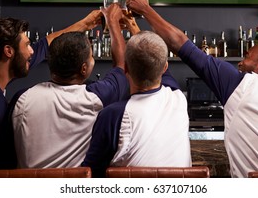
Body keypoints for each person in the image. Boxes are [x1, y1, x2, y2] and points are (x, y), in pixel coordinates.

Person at [125, 0, 258, 178]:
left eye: (248, 57)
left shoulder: (241, 84)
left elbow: (180, 43)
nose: (241, 62)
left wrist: (145, 9)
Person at [0, 9, 103, 178]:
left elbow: (45, 45)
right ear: (8, 51)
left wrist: (85, 24)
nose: (31, 51)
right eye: (27, 45)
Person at [6, 3, 130, 169]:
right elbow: (121, 64)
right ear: (84, 68)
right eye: (91, 57)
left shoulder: (22, 98)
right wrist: (113, 22)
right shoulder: (96, 97)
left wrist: (85, 24)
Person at [82, 30, 192, 178]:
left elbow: (90, 174)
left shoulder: (113, 115)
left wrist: (114, 23)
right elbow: (156, 60)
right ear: (165, 67)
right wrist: (132, 24)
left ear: (125, 69)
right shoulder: (178, 98)